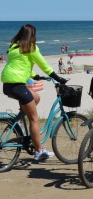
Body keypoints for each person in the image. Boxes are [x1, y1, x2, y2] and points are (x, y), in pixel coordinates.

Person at [1, 24, 67, 161]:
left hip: (7, 84)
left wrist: (35, 76)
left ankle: (18, 121)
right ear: (32, 35)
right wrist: (57, 77)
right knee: (34, 119)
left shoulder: (14, 46)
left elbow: (20, 64)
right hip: (18, 85)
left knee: (36, 97)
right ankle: (38, 151)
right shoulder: (31, 47)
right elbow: (44, 64)